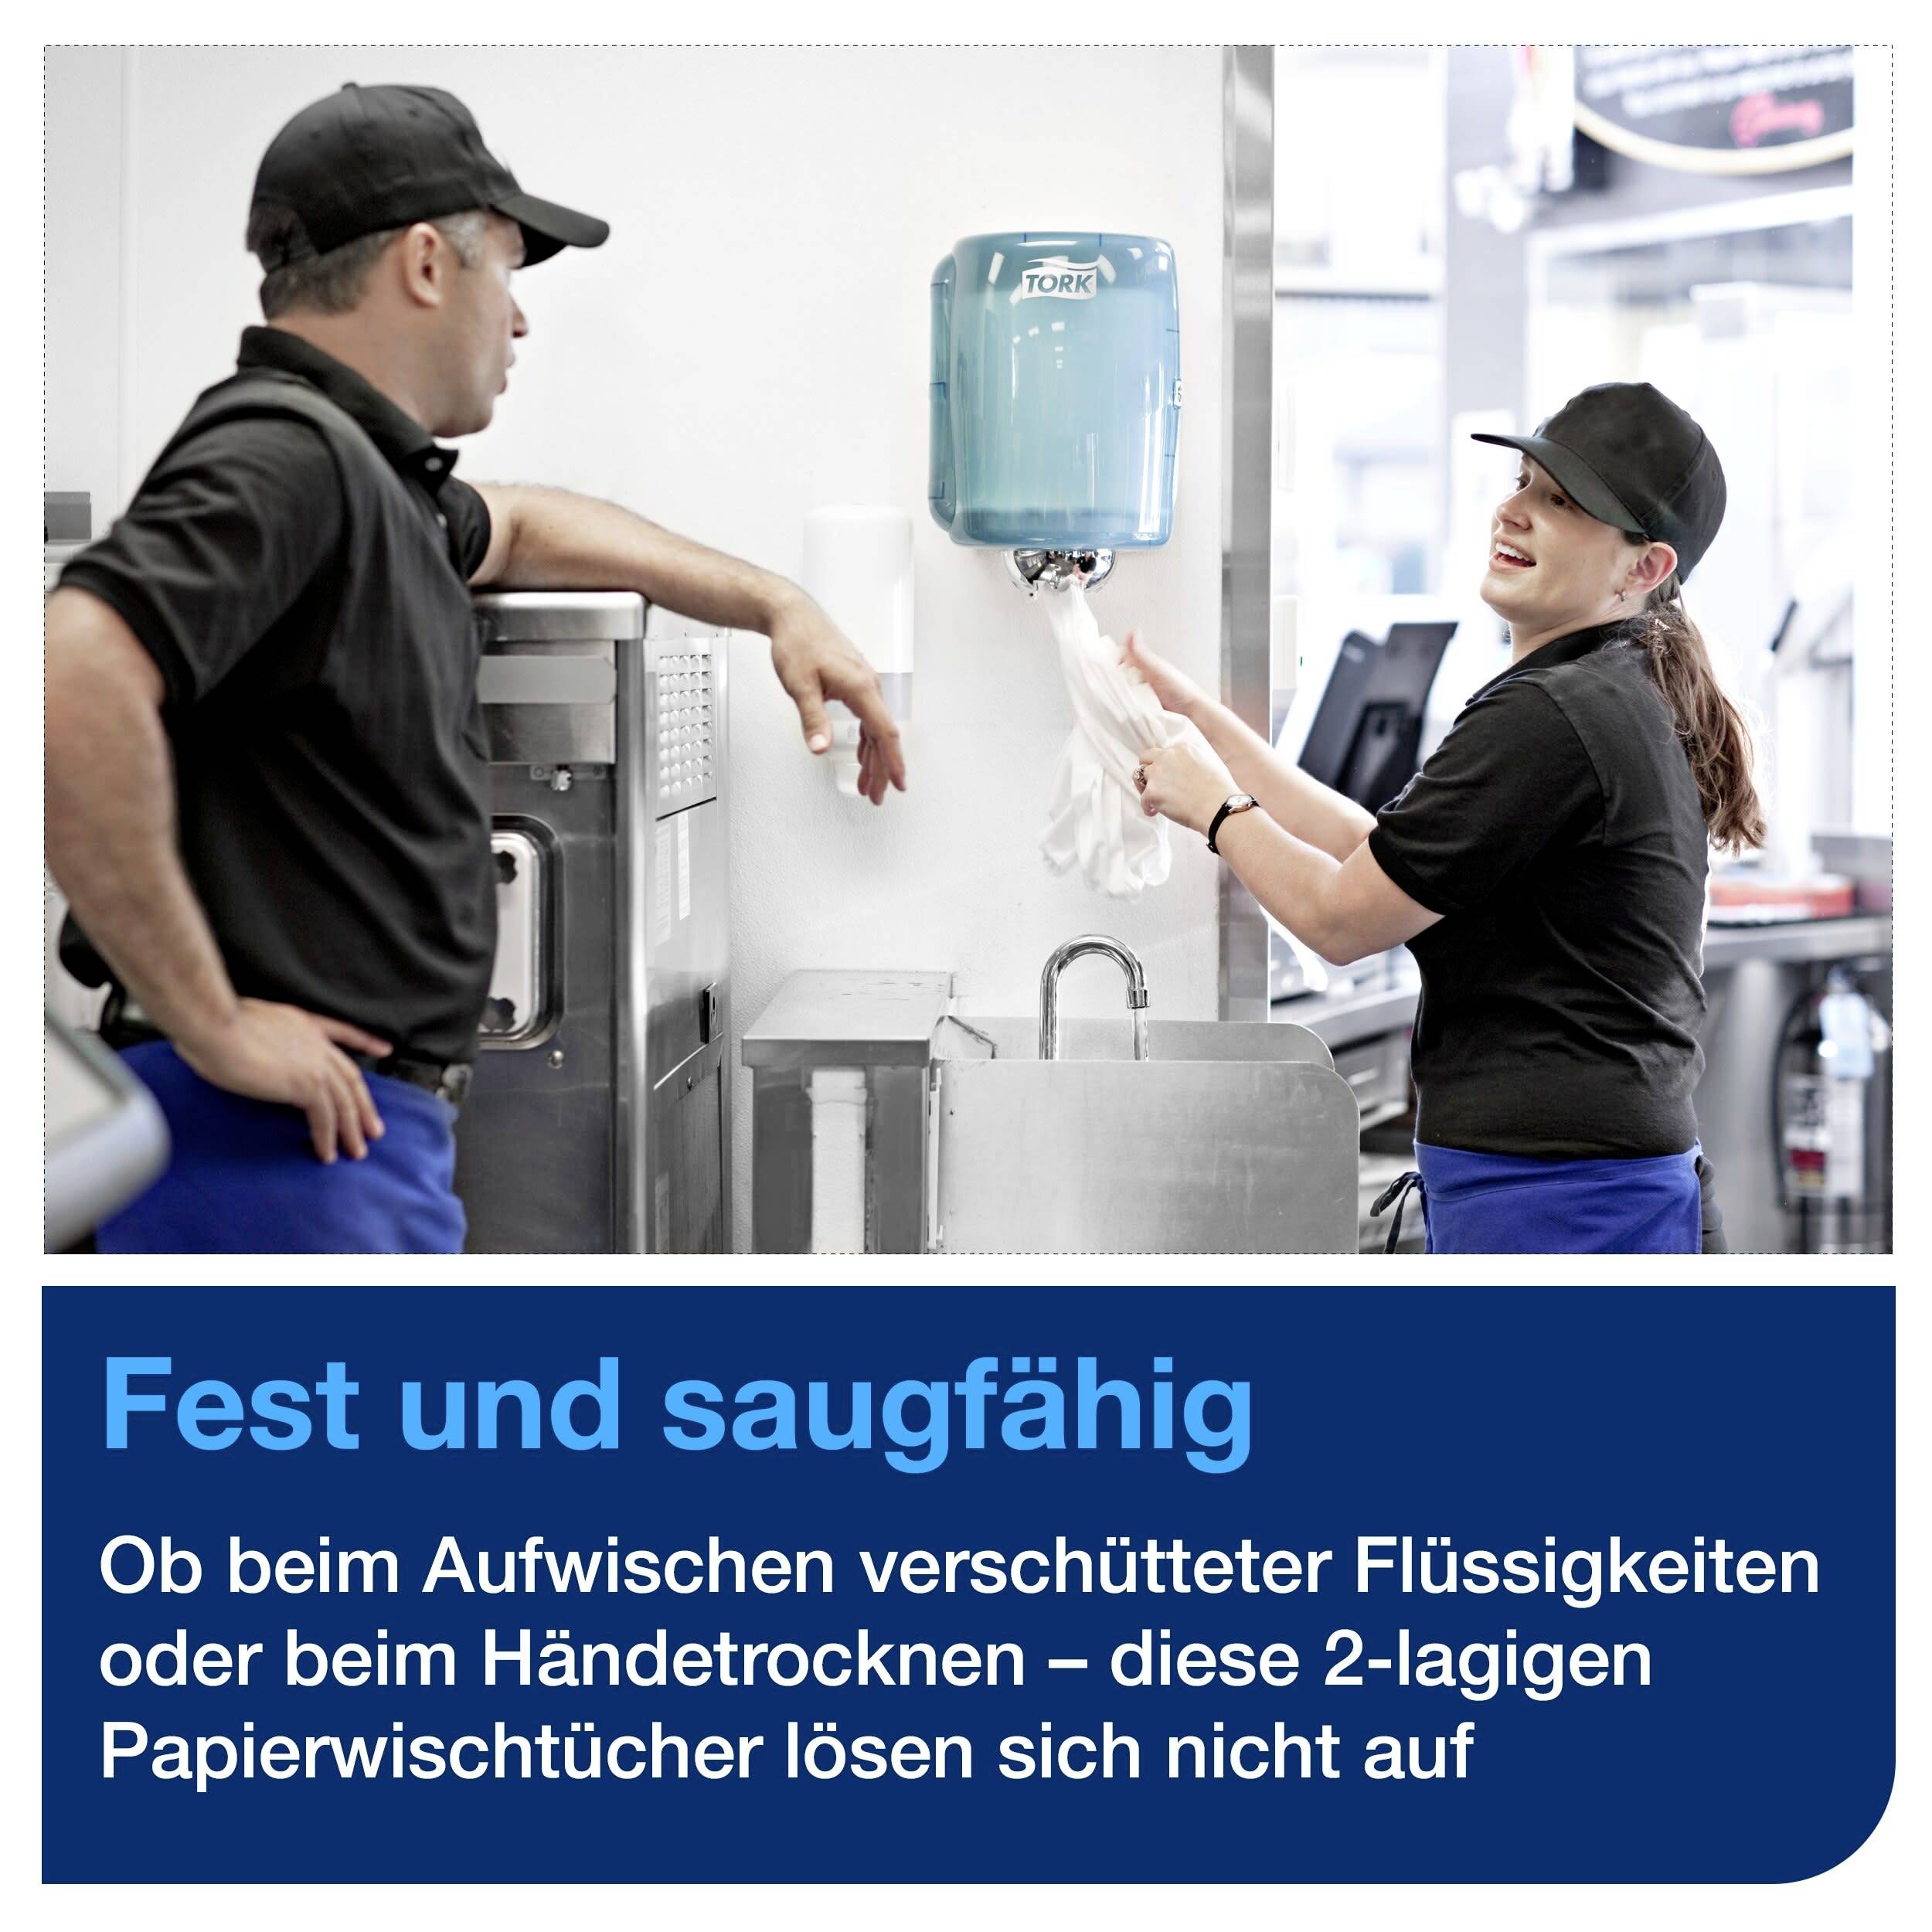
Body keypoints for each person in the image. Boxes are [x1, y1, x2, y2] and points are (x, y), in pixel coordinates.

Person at [45, 83, 906, 1254]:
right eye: (508, 269)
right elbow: (67, 678)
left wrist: (776, 605)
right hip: (269, 1142)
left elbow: (528, 525)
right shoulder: (288, 457)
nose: (520, 322)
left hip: (336, 1135)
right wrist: (216, 1028)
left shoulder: (372, 485)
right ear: (421, 264)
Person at [1131, 381, 1763, 1254]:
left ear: (1643, 567)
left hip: (1567, 1202)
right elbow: (1378, 854)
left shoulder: (1555, 713)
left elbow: (1341, 918)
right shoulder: (1603, 685)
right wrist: (1205, 720)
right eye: (1523, 482)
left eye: (1562, 503)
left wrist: (1211, 807)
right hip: (1577, 1185)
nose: (1514, 512)